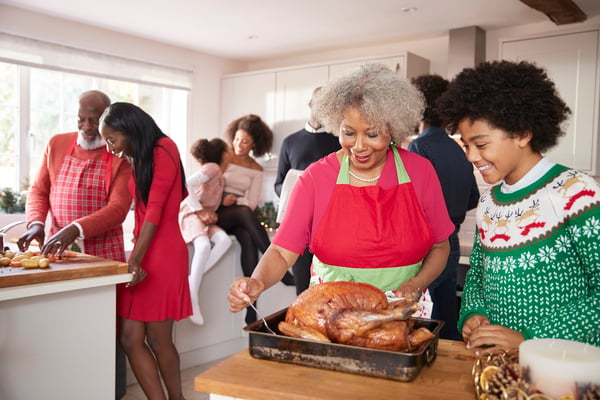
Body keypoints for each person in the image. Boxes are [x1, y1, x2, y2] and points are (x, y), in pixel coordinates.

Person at [227, 63, 454, 319]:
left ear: (393, 128)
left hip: (402, 315)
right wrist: (258, 282)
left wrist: (417, 284)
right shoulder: (315, 178)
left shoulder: (419, 171)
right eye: (348, 133)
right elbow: (281, 251)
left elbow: (440, 247)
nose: (358, 146)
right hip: (331, 317)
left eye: (372, 134)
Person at [436, 60, 600, 353]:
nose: (472, 156)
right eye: (466, 145)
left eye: (481, 144)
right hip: (496, 370)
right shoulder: (488, 202)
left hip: (561, 373)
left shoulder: (576, 192)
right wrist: (472, 315)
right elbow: (477, 277)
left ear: (523, 134)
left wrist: (529, 339)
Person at [17, 90, 132, 399]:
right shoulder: (57, 143)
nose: (87, 126)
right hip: (59, 251)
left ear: (108, 119)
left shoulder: (119, 153)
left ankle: (110, 392)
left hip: (103, 255)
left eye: (94, 120)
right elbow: (39, 191)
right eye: (81, 119)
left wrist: (76, 228)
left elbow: (118, 209)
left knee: (104, 328)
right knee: (60, 324)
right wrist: (37, 223)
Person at [101, 102, 191, 400]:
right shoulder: (138, 157)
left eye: (112, 139)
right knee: (129, 338)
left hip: (161, 255)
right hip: (142, 250)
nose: (109, 147)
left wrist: (135, 259)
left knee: (158, 339)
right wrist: (135, 255)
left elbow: (155, 209)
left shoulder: (164, 147)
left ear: (130, 130)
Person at [408, 74, 480, 340]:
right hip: (452, 239)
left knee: (420, 318)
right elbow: (473, 197)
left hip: (427, 244)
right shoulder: (457, 148)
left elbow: (409, 202)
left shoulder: (419, 146)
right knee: (447, 315)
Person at [217, 114, 294, 324]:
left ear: (254, 144)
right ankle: (284, 273)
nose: (238, 145)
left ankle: (251, 308)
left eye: (245, 142)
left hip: (238, 214)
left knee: (247, 237)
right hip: (216, 211)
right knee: (244, 215)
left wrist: (237, 200)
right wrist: (224, 199)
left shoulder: (256, 169)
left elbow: (251, 202)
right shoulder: (223, 157)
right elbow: (207, 182)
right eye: (236, 139)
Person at [274, 86, 341, 295]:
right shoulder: (290, 142)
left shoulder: (339, 141)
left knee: (331, 293)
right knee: (303, 292)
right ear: (310, 104)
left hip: (332, 229)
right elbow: (278, 184)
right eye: (320, 102)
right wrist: (297, 190)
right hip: (301, 228)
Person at [179, 138, 233, 325]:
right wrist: (199, 210)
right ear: (222, 153)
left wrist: (224, 201)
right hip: (191, 213)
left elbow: (207, 192)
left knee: (225, 241)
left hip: (205, 217)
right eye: (228, 148)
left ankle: (190, 280)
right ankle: (192, 299)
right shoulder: (213, 167)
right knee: (202, 246)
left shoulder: (220, 175)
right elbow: (187, 184)